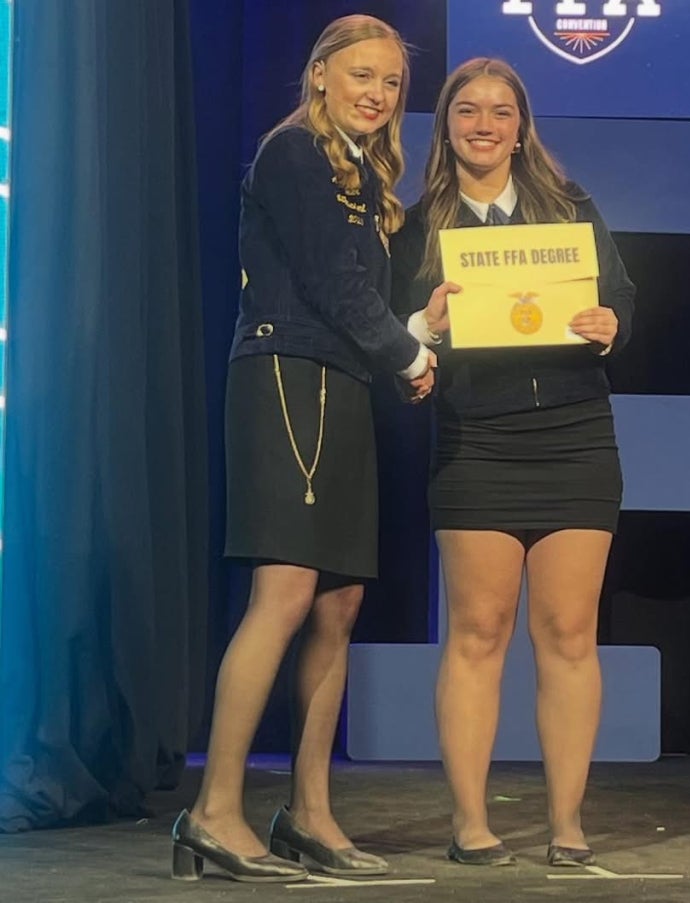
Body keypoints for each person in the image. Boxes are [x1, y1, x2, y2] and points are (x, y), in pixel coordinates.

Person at [171, 15, 439, 883]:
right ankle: (215, 809)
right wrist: (406, 352)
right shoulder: (293, 151)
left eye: (392, 82)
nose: (377, 93)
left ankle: (311, 811)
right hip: (288, 378)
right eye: (362, 74)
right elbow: (325, 281)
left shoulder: (359, 170)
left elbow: (351, 291)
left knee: (339, 603)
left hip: (339, 384)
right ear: (319, 74)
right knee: (283, 594)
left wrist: (413, 328)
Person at [390, 57, 635, 868]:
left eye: (500, 111)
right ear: (447, 124)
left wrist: (610, 322)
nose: (484, 124)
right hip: (476, 443)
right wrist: (421, 327)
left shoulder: (572, 210)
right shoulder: (418, 224)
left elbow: (622, 301)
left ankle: (567, 823)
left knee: (568, 634)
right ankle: (471, 821)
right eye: (468, 111)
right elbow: (397, 339)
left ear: (522, 127)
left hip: (574, 437)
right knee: (477, 632)